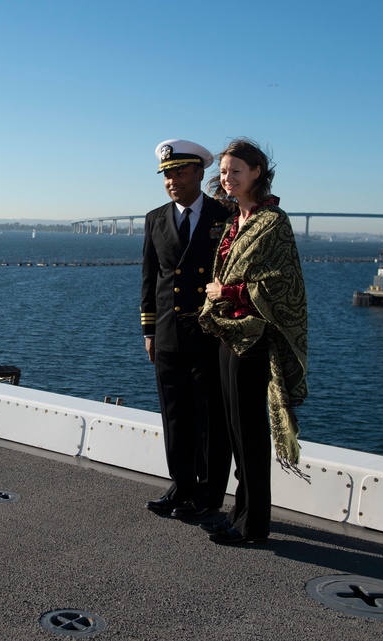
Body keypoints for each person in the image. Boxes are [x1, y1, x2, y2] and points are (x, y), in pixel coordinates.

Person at [198, 138, 308, 545]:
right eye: (224, 172)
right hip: (229, 333)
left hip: (253, 336)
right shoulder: (235, 222)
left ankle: (254, 524)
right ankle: (239, 512)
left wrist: (228, 293)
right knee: (233, 426)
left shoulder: (273, 222)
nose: (227, 179)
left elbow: (282, 284)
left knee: (249, 430)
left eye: (236, 172)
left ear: (257, 173)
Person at [140, 139, 232, 521]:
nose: (172, 181)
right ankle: (181, 485)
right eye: (167, 175)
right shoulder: (155, 218)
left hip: (209, 334)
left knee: (210, 416)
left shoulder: (224, 215)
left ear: (199, 173)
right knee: (174, 414)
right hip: (167, 335)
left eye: (179, 172)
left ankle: (209, 494)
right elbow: (150, 278)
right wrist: (148, 332)